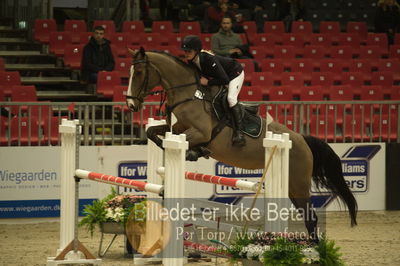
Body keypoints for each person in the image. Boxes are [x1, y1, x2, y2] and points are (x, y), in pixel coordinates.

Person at [181, 35, 246, 147]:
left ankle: (239, 133)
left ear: (196, 51)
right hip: (221, 77)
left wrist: (208, 83)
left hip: (234, 73)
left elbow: (224, 79)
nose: (186, 53)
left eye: (189, 51)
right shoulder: (191, 61)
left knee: (231, 98)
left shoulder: (208, 59)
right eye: (185, 51)